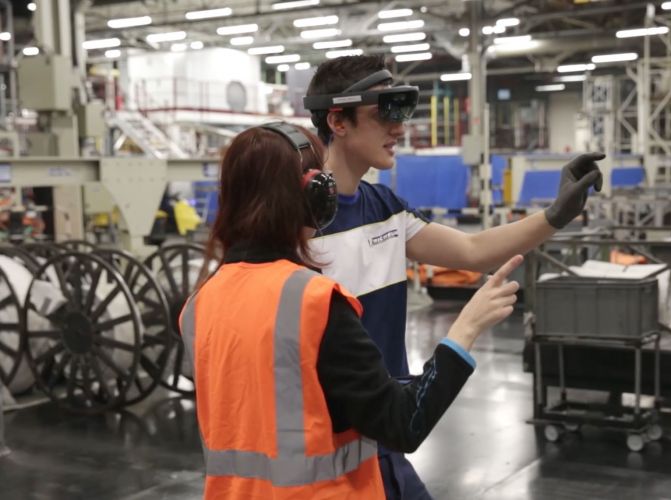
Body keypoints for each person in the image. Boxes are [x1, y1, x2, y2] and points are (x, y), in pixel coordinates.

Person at [304, 54, 604, 499]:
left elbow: (472, 251)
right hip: (332, 450)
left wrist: (556, 215)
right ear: (338, 120)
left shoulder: (385, 207)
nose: (399, 129)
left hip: (389, 430)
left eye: (401, 113)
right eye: (384, 113)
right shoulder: (301, 226)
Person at [180, 122, 524, 499]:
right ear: (312, 196)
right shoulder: (314, 302)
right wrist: (468, 325)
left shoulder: (200, 303)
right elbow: (403, 423)